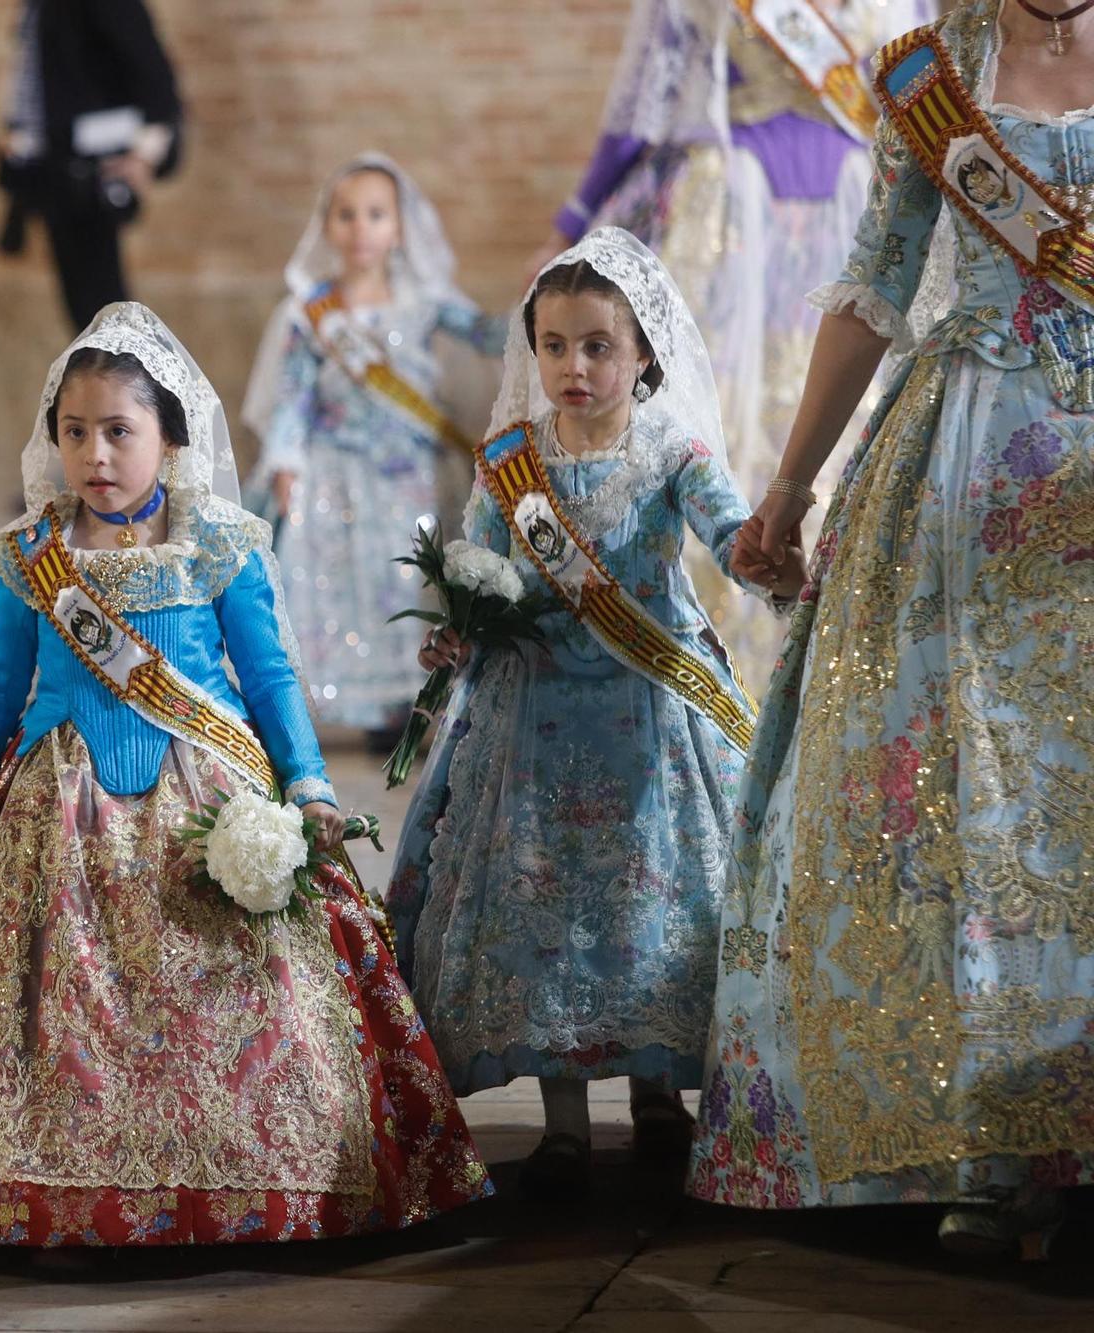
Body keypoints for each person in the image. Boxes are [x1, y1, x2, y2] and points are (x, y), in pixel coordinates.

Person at [0, 301, 491, 1245]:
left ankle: (272, 1185)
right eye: (74, 431)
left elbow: (266, 675)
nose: (95, 454)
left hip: (206, 804)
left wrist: (306, 786)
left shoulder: (222, 544)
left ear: (173, 441)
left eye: (119, 432)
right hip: (59, 813)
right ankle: (52, 1202)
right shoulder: (30, 554)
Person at [691, 0, 1094, 1260]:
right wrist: (787, 484)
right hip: (959, 472)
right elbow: (873, 281)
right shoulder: (928, 71)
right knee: (965, 802)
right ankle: (980, 1136)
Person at [387, 228, 805, 1198]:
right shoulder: (506, 464)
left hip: (648, 716)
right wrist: (452, 631)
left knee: (650, 904)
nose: (572, 366)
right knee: (539, 914)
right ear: (529, 352)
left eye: (596, 346)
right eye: (553, 345)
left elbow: (727, 537)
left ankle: (660, 1096)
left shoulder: (672, 451)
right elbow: (476, 570)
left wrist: (766, 551)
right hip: (528, 724)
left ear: (643, 353)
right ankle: (562, 1120)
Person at [537, 0, 935, 688]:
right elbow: (646, 108)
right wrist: (571, 221)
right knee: (715, 413)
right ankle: (703, 657)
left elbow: (926, 101)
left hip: (860, 206)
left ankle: (845, 667)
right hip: (731, 213)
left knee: (856, 413)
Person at [241, 152, 500, 735]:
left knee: (411, 580)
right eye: (347, 215)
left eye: (376, 215)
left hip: (409, 476)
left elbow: (486, 332)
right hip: (332, 469)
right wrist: (284, 458)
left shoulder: (425, 301)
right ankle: (334, 704)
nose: (361, 229)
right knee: (336, 588)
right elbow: (294, 393)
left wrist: (545, 307)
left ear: (399, 226)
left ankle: (406, 702)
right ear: (326, 225)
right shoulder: (311, 312)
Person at [0, 0, 183, 329]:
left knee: (105, 309)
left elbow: (156, 79)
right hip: (54, 170)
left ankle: (129, 379)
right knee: (84, 309)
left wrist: (144, 154)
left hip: (92, 173)